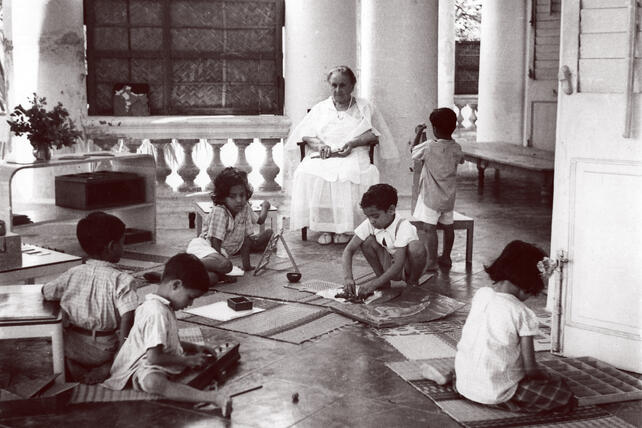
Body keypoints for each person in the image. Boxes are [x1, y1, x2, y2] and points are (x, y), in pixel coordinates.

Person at [422, 241, 577, 414]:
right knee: (563, 393)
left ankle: (450, 378)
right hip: (496, 390)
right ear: (528, 285)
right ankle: (503, 402)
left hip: (465, 382)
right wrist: (548, 377)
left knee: (476, 360)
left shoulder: (481, 295)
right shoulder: (522, 313)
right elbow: (530, 370)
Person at [103, 253, 232, 417]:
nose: (190, 304)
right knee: (153, 382)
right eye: (190, 297)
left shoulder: (163, 306)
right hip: (138, 367)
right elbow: (154, 358)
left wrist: (194, 347)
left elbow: (166, 340)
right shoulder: (156, 312)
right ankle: (212, 397)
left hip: (153, 360)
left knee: (183, 364)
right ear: (176, 285)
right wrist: (187, 360)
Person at [287, 65, 399, 245]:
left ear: (352, 86)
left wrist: (353, 143)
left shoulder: (364, 107)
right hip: (325, 154)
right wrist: (321, 145)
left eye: (343, 85)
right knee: (307, 172)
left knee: (347, 175)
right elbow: (306, 134)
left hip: (354, 152)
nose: (338, 90)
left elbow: (374, 134)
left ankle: (347, 229)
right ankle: (325, 227)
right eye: (334, 85)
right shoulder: (321, 108)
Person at [42, 211, 138, 384]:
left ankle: (72, 367)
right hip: (105, 349)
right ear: (111, 246)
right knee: (146, 341)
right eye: (122, 243)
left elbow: (46, 292)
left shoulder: (71, 274)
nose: (123, 248)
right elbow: (128, 319)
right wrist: (122, 353)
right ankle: (108, 367)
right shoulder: (122, 280)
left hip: (70, 346)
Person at [186, 167, 273, 284]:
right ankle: (183, 264)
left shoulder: (245, 208)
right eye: (233, 196)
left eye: (242, 195)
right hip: (204, 249)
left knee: (212, 279)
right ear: (223, 197)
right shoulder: (220, 211)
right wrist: (224, 270)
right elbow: (215, 242)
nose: (239, 200)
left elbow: (246, 240)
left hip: (218, 256)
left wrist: (246, 266)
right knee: (226, 265)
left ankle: (179, 276)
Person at [342, 184, 427, 297]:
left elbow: (398, 265)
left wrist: (372, 285)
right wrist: (348, 278)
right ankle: (382, 280)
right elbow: (349, 250)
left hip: (404, 268)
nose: (371, 221)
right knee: (367, 242)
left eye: (375, 216)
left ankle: (412, 282)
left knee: (416, 247)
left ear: (391, 210)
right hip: (389, 264)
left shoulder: (403, 226)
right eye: (368, 217)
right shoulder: (371, 223)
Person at [410, 107, 464, 270]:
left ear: (434, 128)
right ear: (453, 127)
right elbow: (461, 160)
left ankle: (432, 261)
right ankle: (446, 257)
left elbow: (413, 152)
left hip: (431, 196)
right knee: (448, 227)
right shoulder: (456, 148)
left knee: (429, 228)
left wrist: (419, 133)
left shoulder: (428, 147)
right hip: (448, 197)